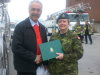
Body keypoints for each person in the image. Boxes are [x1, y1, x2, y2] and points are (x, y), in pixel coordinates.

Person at [12, 1, 48, 75]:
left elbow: (45, 47)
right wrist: (33, 57)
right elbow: (16, 47)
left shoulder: (42, 28)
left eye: (38, 10)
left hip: (39, 67)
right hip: (25, 68)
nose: (35, 12)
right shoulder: (20, 27)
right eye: (33, 9)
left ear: (41, 11)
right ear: (29, 10)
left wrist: (45, 63)